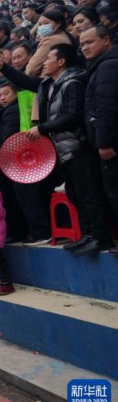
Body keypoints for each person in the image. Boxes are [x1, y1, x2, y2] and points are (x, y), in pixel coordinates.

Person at [27, 44, 112, 255]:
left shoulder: (72, 83)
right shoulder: (50, 85)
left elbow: (73, 115)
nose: (44, 62)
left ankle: (102, 238)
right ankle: (87, 234)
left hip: (78, 147)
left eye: (49, 58)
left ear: (61, 61)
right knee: (75, 195)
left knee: (89, 195)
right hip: (63, 150)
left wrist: (43, 128)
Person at [80, 26, 118, 255]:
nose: (84, 47)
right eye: (82, 44)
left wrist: (103, 141)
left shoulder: (108, 66)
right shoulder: (100, 66)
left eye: (89, 42)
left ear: (106, 40)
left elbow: (107, 106)